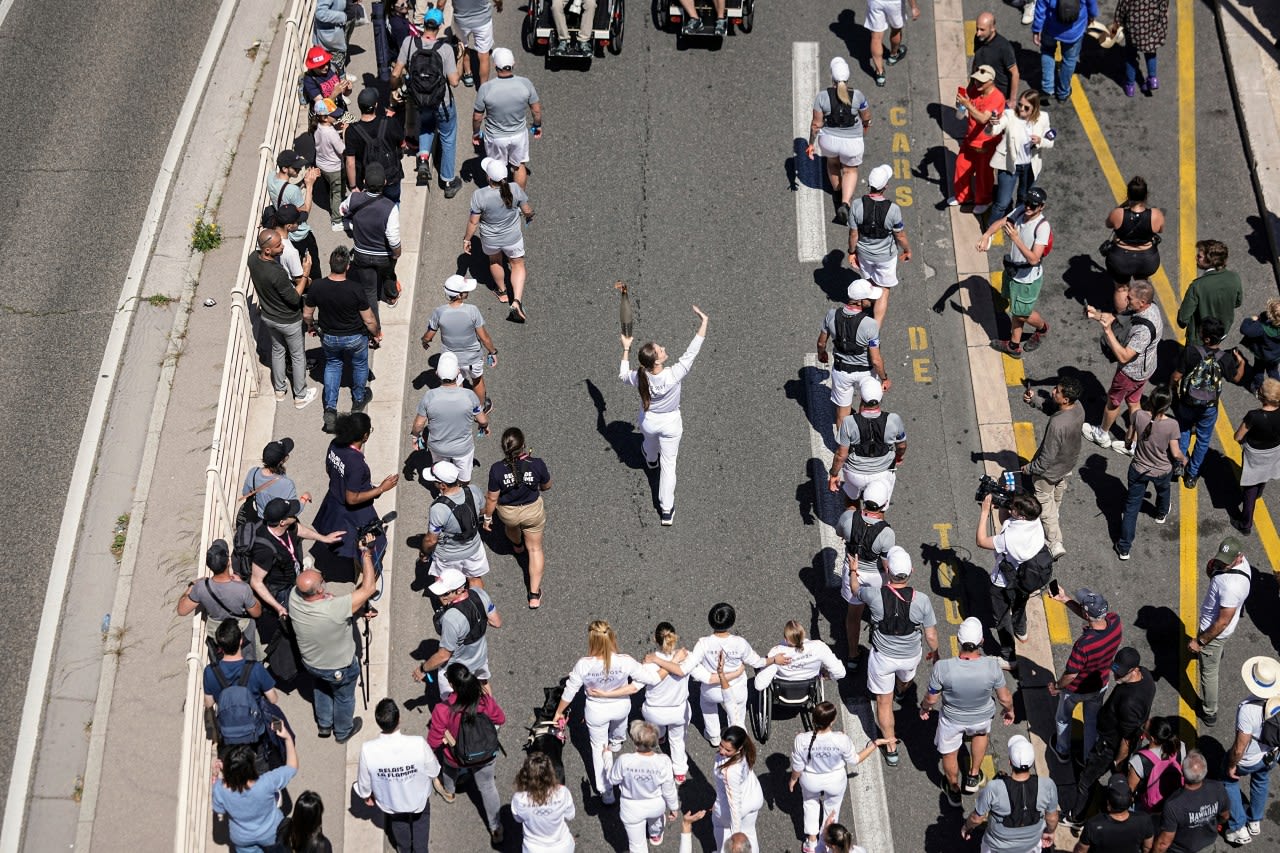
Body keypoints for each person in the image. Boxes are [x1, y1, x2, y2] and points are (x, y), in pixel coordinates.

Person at [649, 603, 786, 748]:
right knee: (737, 715)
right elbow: (757, 662)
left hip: (712, 688)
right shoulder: (740, 643)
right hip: (736, 688)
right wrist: (774, 659)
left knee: (708, 706)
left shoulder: (703, 643)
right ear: (731, 621)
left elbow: (683, 670)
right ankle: (736, 740)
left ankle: (713, 736)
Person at [850, 546, 939, 767]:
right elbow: (931, 634)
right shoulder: (922, 601)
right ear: (912, 572)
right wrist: (935, 652)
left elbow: (854, 590)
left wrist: (853, 571)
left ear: (887, 571)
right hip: (910, 655)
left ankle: (890, 747)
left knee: (883, 702)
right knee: (906, 679)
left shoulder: (875, 595)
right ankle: (902, 690)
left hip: (883, 659)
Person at [619, 305, 709, 525]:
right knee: (669, 466)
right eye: (660, 350)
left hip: (648, 422)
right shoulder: (673, 375)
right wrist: (703, 322)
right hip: (670, 424)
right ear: (657, 361)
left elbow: (622, 375)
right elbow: (691, 352)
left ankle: (650, 460)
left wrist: (626, 349)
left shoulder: (640, 376)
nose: (664, 348)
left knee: (649, 444)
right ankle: (666, 511)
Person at [551, 620, 659, 803]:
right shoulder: (625, 661)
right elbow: (650, 679)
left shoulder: (584, 665)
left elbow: (570, 690)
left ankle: (605, 790)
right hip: (621, 706)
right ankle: (617, 742)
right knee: (619, 726)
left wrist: (559, 712)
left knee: (598, 747)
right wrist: (629, 689)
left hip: (596, 710)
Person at [288, 533, 379, 743]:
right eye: (322, 580)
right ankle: (343, 731)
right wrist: (366, 553)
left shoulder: (295, 597)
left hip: (312, 663)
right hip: (340, 666)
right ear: (320, 589)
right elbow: (369, 588)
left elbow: (326, 603)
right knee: (344, 697)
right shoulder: (334, 609)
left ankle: (324, 724)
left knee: (321, 688)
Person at [920, 617, 1014, 805]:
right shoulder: (992, 666)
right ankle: (972, 776)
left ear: (958, 641)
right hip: (981, 718)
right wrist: (1009, 710)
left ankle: (953, 788)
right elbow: (1004, 697)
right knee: (980, 735)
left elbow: (931, 698)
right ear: (982, 642)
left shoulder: (942, 668)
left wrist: (925, 708)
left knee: (949, 754)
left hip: (952, 720)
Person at [1063, 648, 1157, 826]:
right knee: (1119, 777)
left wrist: (1118, 761)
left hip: (1109, 746)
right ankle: (1113, 802)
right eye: (1115, 670)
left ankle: (1076, 817)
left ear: (1134, 670)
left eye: (1120, 674)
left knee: (1085, 781)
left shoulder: (1130, 703)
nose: (1115, 676)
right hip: (1119, 740)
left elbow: (1127, 739)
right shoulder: (1146, 676)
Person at [427, 663, 507, 847]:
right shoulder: (484, 700)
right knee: (487, 787)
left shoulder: (443, 709)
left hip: (457, 756)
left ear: (453, 686)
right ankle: (495, 827)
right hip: (485, 754)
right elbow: (500, 719)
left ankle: (449, 792)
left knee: (449, 770)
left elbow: (433, 741)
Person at [789, 702, 887, 852]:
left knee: (810, 803)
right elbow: (855, 760)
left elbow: (798, 765)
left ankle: (811, 842)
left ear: (813, 719)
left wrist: (793, 779)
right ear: (833, 720)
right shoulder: (841, 739)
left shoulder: (801, 739)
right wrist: (874, 745)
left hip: (811, 780)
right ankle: (825, 842)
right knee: (832, 810)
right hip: (835, 780)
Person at [311, 412, 398, 581]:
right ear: (365, 436)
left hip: (333, 501)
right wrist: (381, 489)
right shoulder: (356, 464)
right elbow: (352, 498)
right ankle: (368, 579)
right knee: (376, 543)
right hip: (354, 511)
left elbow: (329, 469)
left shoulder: (335, 444)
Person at [304, 247, 380, 432]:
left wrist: (311, 326)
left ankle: (330, 408)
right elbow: (368, 319)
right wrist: (376, 333)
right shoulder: (355, 289)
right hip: (355, 337)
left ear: (330, 264)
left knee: (333, 365)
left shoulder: (317, 286)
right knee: (360, 365)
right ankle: (358, 400)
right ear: (347, 266)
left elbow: (307, 314)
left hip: (329, 337)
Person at [390, 8, 464, 196]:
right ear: (439, 27)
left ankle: (423, 157)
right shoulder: (445, 49)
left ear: (424, 24)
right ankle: (448, 182)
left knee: (426, 125)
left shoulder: (409, 42)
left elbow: (395, 73)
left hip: (419, 99)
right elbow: (454, 82)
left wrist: (394, 89)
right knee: (448, 137)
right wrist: (461, 57)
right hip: (442, 102)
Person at [1084, 280, 1164, 450]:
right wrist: (1096, 315)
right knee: (1134, 402)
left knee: (1113, 401)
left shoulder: (1143, 330)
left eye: (1130, 298)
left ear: (1142, 302)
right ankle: (1132, 443)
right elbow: (1121, 317)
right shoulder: (1151, 307)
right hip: (1147, 368)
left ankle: (1102, 434)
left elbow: (1124, 357)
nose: (1126, 300)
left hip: (1130, 373)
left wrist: (1107, 331)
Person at [1045, 587, 1123, 762]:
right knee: (1091, 723)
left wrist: (1056, 686)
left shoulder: (1084, 644)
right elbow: (1092, 617)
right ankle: (1088, 759)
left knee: (1063, 718)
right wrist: (1064, 599)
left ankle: (1062, 750)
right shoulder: (1115, 621)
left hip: (1075, 690)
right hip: (1100, 685)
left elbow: (1071, 675)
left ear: (1087, 615)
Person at [355, 698, 441, 853]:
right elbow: (434, 771)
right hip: (419, 800)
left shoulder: (368, 750)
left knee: (399, 826)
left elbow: (364, 782)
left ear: (378, 721)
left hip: (392, 802)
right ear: (399, 718)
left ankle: (404, 849)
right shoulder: (418, 743)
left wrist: (366, 794)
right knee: (421, 826)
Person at [979, 186, 1052, 358]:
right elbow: (1003, 221)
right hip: (1013, 272)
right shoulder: (1021, 210)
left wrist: (1016, 239)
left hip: (1027, 280)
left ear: (1041, 207)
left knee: (1022, 313)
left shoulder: (1042, 227)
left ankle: (1042, 328)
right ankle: (1014, 345)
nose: (1028, 207)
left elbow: (1034, 259)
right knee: (1017, 311)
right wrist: (986, 235)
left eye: (1033, 206)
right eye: (1027, 203)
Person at [248, 498, 344, 628]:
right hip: (283, 589)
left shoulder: (287, 526)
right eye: (291, 514)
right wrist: (278, 608)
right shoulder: (264, 550)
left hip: (294, 574)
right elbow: (256, 582)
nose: (295, 514)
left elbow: (298, 529)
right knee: (301, 619)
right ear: (282, 522)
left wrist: (324, 538)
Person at [1170, 318, 1244, 488]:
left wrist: (1173, 390)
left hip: (1188, 401)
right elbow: (1237, 378)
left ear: (1207, 338)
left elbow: (1176, 376)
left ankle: (1179, 463)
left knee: (1184, 429)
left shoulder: (1190, 352)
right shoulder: (1225, 359)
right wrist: (1241, 363)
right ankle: (1192, 474)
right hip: (1209, 407)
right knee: (1203, 440)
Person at [246, 228, 316, 408]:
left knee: (277, 351)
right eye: (278, 245)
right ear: (268, 250)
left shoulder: (253, 259)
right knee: (298, 356)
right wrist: (306, 273)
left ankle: (279, 390)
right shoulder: (277, 273)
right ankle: (300, 396)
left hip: (269, 317)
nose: (282, 247)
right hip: (288, 320)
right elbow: (294, 297)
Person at [482, 428, 552, 607]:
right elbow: (547, 485)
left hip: (508, 513)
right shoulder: (536, 464)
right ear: (523, 446)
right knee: (535, 549)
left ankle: (517, 545)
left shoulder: (497, 469)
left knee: (511, 527)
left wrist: (488, 518)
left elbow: (492, 498)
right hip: (532, 511)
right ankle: (534, 595)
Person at [976, 491, 1047, 664]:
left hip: (1003, 582)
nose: (1010, 508)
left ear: (1022, 516)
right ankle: (1021, 630)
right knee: (1020, 603)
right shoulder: (1034, 521)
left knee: (1001, 618)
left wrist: (985, 512)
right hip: (1025, 579)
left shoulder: (1011, 538)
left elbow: (981, 541)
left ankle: (1009, 658)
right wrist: (1004, 501)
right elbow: (1006, 521)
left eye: (1013, 508)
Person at [1115, 386, 1186, 558]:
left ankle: (1124, 547)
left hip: (1138, 468)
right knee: (1163, 490)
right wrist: (1185, 461)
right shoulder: (1172, 425)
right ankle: (1161, 513)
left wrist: (1126, 445)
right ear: (1167, 406)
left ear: (1151, 400)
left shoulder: (1138, 415)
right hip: (1162, 470)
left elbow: (1129, 437)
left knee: (1131, 508)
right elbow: (1175, 453)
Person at [1020, 374, 1084, 559]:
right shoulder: (1078, 407)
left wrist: (1029, 468)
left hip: (1047, 472)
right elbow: (1051, 407)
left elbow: (1045, 460)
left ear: (1065, 399)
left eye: (1057, 391)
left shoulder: (1057, 425)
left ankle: (1055, 542)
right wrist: (1034, 400)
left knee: (1045, 505)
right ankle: (1053, 521)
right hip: (1068, 464)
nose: (1052, 391)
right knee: (1056, 498)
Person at [1188, 537, 1251, 727]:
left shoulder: (1230, 585)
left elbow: (1222, 622)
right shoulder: (1243, 566)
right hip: (1221, 631)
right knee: (1212, 660)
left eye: (1226, 561)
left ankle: (1209, 711)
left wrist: (1200, 641)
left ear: (1238, 558)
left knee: (1208, 673)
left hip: (1213, 633)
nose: (1221, 563)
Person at [463, 158, 534, 322]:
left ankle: (502, 292)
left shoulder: (479, 195)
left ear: (489, 177)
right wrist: (529, 216)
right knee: (517, 264)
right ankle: (516, 300)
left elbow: (474, 221)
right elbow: (526, 209)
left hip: (490, 239)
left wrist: (467, 239)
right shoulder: (515, 189)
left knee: (495, 261)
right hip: (513, 237)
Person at [961, 735, 1060, 851]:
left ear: (1010, 762)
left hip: (997, 847)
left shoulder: (994, 787)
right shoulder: (1048, 786)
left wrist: (967, 827)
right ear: (1032, 762)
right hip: (1029, 846)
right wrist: (1050, 832)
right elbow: (1052, 818)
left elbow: (976, 818)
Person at [413, 569, 502, 694]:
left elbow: (443, 656)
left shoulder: (451, 618)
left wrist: (422, 669)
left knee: (451, 700)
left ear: (459, 590)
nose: (440, 596)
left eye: (445, 593)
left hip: (457, 669)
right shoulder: (479, 593)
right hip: (480, 658)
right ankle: (490, 711)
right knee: (483, 684)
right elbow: (496, 622)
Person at [817, 279, 891, 429]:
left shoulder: (831, 315)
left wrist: (822, 354)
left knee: (842, 415)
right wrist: (884, 378)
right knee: (867, 403)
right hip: (866, 373)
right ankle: (861, 433)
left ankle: (843, 447)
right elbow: (876, 360)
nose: (872, 300)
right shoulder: (870, 324)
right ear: (860, 301)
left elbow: (821, 343)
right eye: (869, 298)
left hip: (841, 372)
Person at [806, 58, 872, 225]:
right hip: (852, 143)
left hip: (829, 141)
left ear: (832, 78)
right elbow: (866, 116)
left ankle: (837, 192)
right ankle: (845, 203)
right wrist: (866, 125)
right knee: (850, 170)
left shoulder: (822, 97)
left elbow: (816, 124)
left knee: (833, 165)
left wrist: (811, 143)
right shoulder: (857, 95)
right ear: (848, 78)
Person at [1222, 657, 1280, 845]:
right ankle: (1254, 820)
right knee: (1261, 780)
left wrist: (1232, 765)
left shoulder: (1249, 709)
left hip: (1249, 759)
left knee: (1228, 780)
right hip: (1272, 754)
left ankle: (1238, 826)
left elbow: (1240, 747)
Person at [203, 619, 280, 760]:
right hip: (255, 729)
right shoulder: (256, 668)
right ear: (240, 641)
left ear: (219, 646)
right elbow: (273, 699)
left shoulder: (210, 671)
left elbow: (208, 703)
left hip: (227, 730)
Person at [835, 479, 894, 661]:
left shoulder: (847, 517)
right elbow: (886, 565)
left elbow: (840, 533)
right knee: (881, 612)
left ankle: (852, 654)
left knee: (853, 615)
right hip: (877, 576)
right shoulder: (887, 533)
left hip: (854, 571)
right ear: (884, 504)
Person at [422, 275, 499, 412]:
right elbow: (484, 337)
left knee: (457, 384)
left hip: (452, 360)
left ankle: (461, 410)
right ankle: (480, 408)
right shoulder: (472, 310)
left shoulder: (439, 312)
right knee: (477, 380)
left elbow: (429, 335)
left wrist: (425, 341)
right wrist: (492, 351)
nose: (468, 292)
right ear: (459, 295)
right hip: (473, 358)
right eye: (466, 291)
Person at [848, 164, 912, 327]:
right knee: (884, 288)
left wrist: (851, 252)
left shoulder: (856, 205)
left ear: (869, 185)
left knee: (869, 281)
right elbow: (900, 235)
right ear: (885, 186)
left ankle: (865, 305)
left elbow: (853, 234)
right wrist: (907, 250)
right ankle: (873, 330)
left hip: (864, 254)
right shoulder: (893, 209)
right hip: (885, 257)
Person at [827, 377, 908, 506]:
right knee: (878, 507)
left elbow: (841, 455)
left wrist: (834, 474)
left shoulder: (849, 422)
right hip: (883, 473)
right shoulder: (893, 420)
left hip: (855, 474)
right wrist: (899, 456)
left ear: (862, 398)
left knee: (852, 501)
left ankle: (852, 524)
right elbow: (902, 446)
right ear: (880, 398)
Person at [410, 352, 490, 482]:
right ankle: (462, 494)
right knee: (464, 478)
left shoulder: (429, 396)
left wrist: (415, 436)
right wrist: (484, 426)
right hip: (463, 448)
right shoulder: (469, 396)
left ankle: (444, 493)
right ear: (458, 372)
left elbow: (419, 425)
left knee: (441, 474)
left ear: (437, 373)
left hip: (438, 447)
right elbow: (482, 420)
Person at [212, 735, 298, 853]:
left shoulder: (219, 789)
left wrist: (217, 776)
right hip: (271, 832)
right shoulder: (266, 782)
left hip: (242, 838)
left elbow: (219, 811)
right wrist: (288, 738)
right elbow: (292, 767)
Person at [179, 540, 263, 659]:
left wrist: (192, 585)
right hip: (240, 629)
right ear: (228, 562)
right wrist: (246, 587)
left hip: (217, 632)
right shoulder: (242, 588)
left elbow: (181, 610)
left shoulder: (200, 587)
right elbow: (257, 612)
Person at [472, 48, 541, 190]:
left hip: (495, 137)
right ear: (513, 64)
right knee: (519, 165)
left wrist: (476, 133)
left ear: (496, 66)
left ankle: (499, 200)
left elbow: (477, 117)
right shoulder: (525, 83)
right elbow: (536, 110)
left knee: (495, 169)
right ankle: (518, 199)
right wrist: (537, 125)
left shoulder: (486, 88)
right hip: (518, 135)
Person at [341, 161, 402, 322]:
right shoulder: (390, 207)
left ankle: (375, 330)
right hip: (384, 256)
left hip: (362, 254)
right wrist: (396, 254)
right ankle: (391, 297)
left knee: (369, 291)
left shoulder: (354, 198)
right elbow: (393, 239)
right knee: (388, 275)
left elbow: (342, 210)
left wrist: (351, 225)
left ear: (365, 182)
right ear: (385, 183)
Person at [608, 721, 680, 851]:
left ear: (635, 740)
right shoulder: (663, 761)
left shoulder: (624, 760)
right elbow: (668, 789)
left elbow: (613, 780)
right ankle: (655, 835)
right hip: (655, 804)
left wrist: (606, 757)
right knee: (656, 820)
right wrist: (674, 807)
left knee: (636, 845)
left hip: (631, 807)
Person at [639, 623, 696, 785]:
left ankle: (661, 735)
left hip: (654, 713)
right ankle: (679, 772)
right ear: (674, 637)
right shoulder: (687, 657)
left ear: (654, 639)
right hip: (678, 712)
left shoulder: (649, 662)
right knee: (677, 740)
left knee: (657, 726)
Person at [987, 90, 1054, 225]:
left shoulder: (1043, 118)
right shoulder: (1010, 115)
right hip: (1010, 165)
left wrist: (1040, 140)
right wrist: (992, 124)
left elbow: (1050, 141)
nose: (1021, 109)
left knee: (1024, 198)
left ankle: (1015, 222)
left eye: (1026, 107)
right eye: (1019, 104)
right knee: (1002, 203)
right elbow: (994, 130)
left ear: (1035, 108)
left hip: (1029, 166)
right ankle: (990, 229)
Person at [421, 460, 492, 585]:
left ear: (443, 485)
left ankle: (450, 604)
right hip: (474, 549)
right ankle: (478, 603)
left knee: (444, 584)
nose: (433, 483)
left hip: (447, 556)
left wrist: (424, 552)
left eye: (435, 481)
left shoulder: (438, 508)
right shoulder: (473, 490)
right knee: (475, 579)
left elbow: (431, 540)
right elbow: (483, 510)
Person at [949, 65, 1006, 212]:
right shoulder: (974, 91)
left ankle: (984, 201)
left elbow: (982, 119)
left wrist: (967, 105)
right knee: (961, 167)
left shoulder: (997, 98)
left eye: (981, 82)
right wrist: (961, 105)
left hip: (985, 144)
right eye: (975, 80)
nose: (977, 84)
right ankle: (963, 197)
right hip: (970, 139)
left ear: (991, 81)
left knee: (983, 175)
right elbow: (962, 112)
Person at [1103, 177, 1165, 312]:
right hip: (1147, 259)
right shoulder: (1156, 215)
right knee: (1141, 286)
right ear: (1146, 195)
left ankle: (1122, 320)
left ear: (1128, 194)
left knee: (1121, 288)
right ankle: (1140, 313)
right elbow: (1160, 229)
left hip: (1121, 259)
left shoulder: (1118, 214)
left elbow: (1109, 224)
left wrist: (1121, 207)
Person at [1153, 751, 1229, 853]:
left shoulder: (1173, 804)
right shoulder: (1218, 788)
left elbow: (1163, 843)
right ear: (1205, 770)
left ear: (1181, 770)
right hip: (1208, 844)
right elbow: (1225, 816)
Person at [1233, 377, 1280, 534]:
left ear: (1262, 396)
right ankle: (1259, 492)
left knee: (1250, 486)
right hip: (1274, 451)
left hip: (1255, 454)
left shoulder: (1254, 415)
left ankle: (1245, 525)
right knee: (1264, 475)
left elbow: (1238, 436)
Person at [1177, 239, 1243, 348]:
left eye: (1199, 256)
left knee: (1192, 361)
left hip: (1199, 338)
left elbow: (1183, 319)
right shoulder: (1234, 278)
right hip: (1221, 333)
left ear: (1210, 261)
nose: (1196, 258)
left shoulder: (1197, 286)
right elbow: (1238, 302)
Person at [267, 150, 322, 280]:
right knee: (312, 265)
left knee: (295, 266)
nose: (299, 168)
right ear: (285, 169)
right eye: (295, 167)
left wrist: (303, 181)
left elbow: (284, 191)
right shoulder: (293, 190)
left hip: (285, 231)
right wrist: (309, 185)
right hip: (300, 234)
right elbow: (305, 212)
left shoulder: (270, 178)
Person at [345, 88, 405, 202]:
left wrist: (353, 187)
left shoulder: (351, 131)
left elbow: (350, 163)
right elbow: (402, 144)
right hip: (391, 175)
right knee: (393, 203)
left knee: (373, 209)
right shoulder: (390, 122)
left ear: (359, 106)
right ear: (376, 105)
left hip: (369, 180)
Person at [1031, 0, 1098, 102]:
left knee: (1047, 52)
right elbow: (1091, 4)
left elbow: (1041, 7)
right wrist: (1092, 16)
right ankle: (1063, 93)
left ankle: (1048, 88)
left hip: (1051, 28)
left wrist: (1037, 29)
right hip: (1074, 30)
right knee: (1069, 60)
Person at [753, 620, 847, 691]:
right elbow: (840, 672)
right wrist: (826, 676)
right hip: (808, 688)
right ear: (804, 634)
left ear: (786, 640)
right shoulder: (819, 647)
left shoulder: (777, 653)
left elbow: (759, 685)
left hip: (783, 690)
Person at [712, 727, 765, 852]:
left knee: (721, 829)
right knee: (750, 833)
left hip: (734, 808)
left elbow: (735, 805)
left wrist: (735, 836)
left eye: (728, 750)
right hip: (753, 797)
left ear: (739, 748)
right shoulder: (746, 750)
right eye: (721, 745)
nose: (722, 751)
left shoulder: (729, 771)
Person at [512, 752, 576, 852]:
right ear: (550, 773)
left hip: (533, 848)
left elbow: (518, 819)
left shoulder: (519, 798)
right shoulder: (562, 792)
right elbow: (570, 815)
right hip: (562, 846)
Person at [1075, 777, 1155, 853]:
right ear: (1131, 800)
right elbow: (1147, 847)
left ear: (1108, 804)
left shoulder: (1093, 824)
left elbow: (1081, 850)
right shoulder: (1144, 820)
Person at [1127, 716, 1185, 813]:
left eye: (1144, 728)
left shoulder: (1139, 761)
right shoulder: (1180, 746)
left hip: (1151, 806)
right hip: (1174, 799)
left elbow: (1130, 789)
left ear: (1152, 738)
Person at [241, 437, 308, 520]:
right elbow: (294, 510)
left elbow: (245, 493)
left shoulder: (253, 473)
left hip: (258, 519)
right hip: (277, 525)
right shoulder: (287, 484)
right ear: (284, 460)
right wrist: (304, 498)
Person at [1115, 0, 1169, 96]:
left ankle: (1130, 86)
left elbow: (1122, 7)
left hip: (1134, 28)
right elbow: (1164, 5)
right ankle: (1153, 79)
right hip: (1151, 25)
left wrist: (1118, 21)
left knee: (1130, 55)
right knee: (1151, 52)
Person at [442, 0, 501, 87]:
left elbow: (440, 3)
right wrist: (499, 4)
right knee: (484, 55)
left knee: (463, 46)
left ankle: (468, 74)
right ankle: (483, 88)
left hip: (461, 20)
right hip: (483, 20)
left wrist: (438, 12)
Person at [864, 0, 921, 86]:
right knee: (896, 30)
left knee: (876, 36)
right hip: (894, 3)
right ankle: (893, 56)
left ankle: (880, 74)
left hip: (875, 2)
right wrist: (914, 7)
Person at [311, 100, 347, 232]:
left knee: (331, 189)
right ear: (325, 117)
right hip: (334, 168)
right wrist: (344, 133)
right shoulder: (331, 133)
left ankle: (336, 204)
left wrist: (335, 129)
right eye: (334, 115)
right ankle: (336, 220)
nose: (337, 117)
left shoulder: (317, 127)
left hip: (321, 164)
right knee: (337, 193)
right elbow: (343, 150)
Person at [973, 11, 1020, 99]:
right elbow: (976, 60)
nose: (978, 33)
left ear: (992, 28)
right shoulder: (978, 38)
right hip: (981, 90)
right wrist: (972, 83)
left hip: (997, 95)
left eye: (982, 30)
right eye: (977, 29)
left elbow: (1015, 73)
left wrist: (1012, 100)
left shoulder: (1004, 47)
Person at [1240, 300, 1280, 392]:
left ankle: (1258, 387)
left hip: (1262, 354)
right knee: (1273, 372)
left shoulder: (1262, 328)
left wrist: (1250, 319)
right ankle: (1277, 390)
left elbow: (1245, 330)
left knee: (1258, 370)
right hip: (1276, 356)